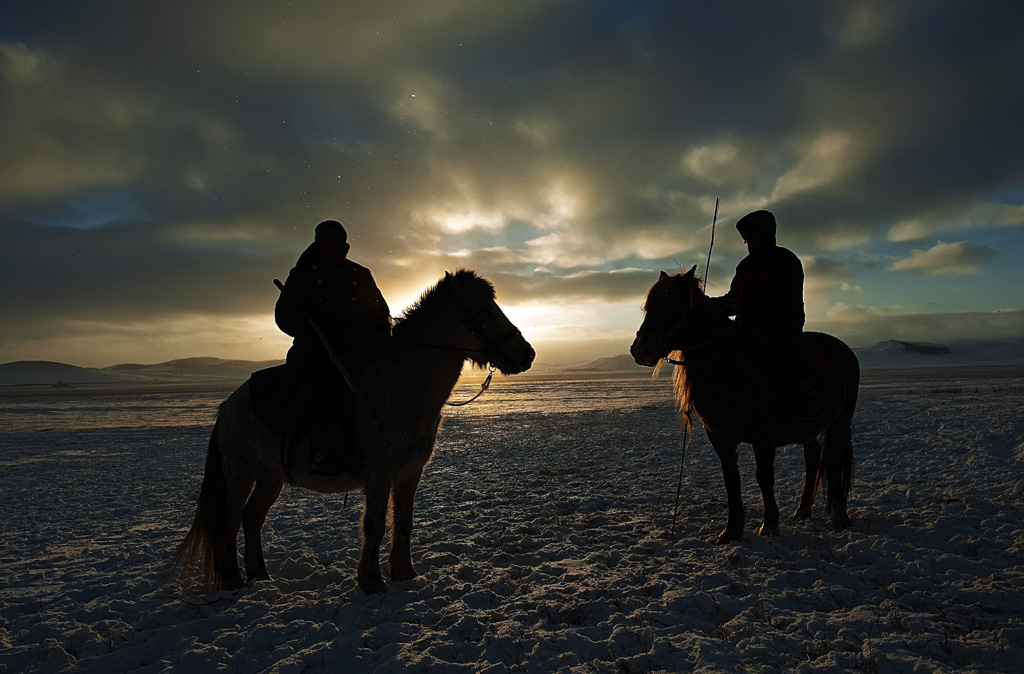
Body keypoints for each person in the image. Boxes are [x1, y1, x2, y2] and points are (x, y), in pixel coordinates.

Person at [275, 219, 391, 475]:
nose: (335, 245)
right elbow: (283, 315)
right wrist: (308, 330)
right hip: (318, 349)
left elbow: (380, 311)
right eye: (329, 240)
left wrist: (377, 330)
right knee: (322, 383)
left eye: (339, 240)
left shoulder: (359, 274)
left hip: (359, 347)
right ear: (318, 243)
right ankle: (320, 452)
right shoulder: (303, 274)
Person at [710, 210, 819, 420]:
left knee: (789, 351)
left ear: (767, 234)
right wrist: (710, 304)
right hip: (747, 326)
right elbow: (733, 297)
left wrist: (748, 307)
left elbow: (786, 295)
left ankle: (806, 400)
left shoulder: (786, 260)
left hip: (783, 322)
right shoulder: (744, 266)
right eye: (746, 238)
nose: (749, 242)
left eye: (752, 236)